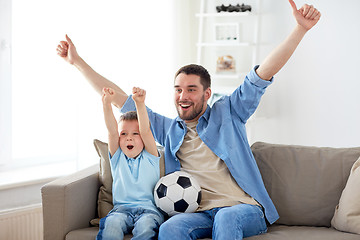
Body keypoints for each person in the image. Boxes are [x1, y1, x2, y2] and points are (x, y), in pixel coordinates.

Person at [57, 0, 321, 239]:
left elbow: (261, 75)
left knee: (227, 218)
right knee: (171, 228)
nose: (183, 96)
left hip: (242, 209)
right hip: (198, 212)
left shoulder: (229, 112)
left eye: (191, 90)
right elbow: (117, 97)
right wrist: (77, 62)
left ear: (207, 93)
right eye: (178, 89)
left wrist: (300, 30)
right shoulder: (166, 128)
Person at [98, 86, 163, 240]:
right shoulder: (117, 157)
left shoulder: (151, 156)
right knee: (112, 224)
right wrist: (107, 104)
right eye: (124, 134)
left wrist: (140, 104)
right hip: (121, 210)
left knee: (146, 227)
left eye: (135, 134)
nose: (129, 138)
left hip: (148, 211)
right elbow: (112, 132)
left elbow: (146, 130)